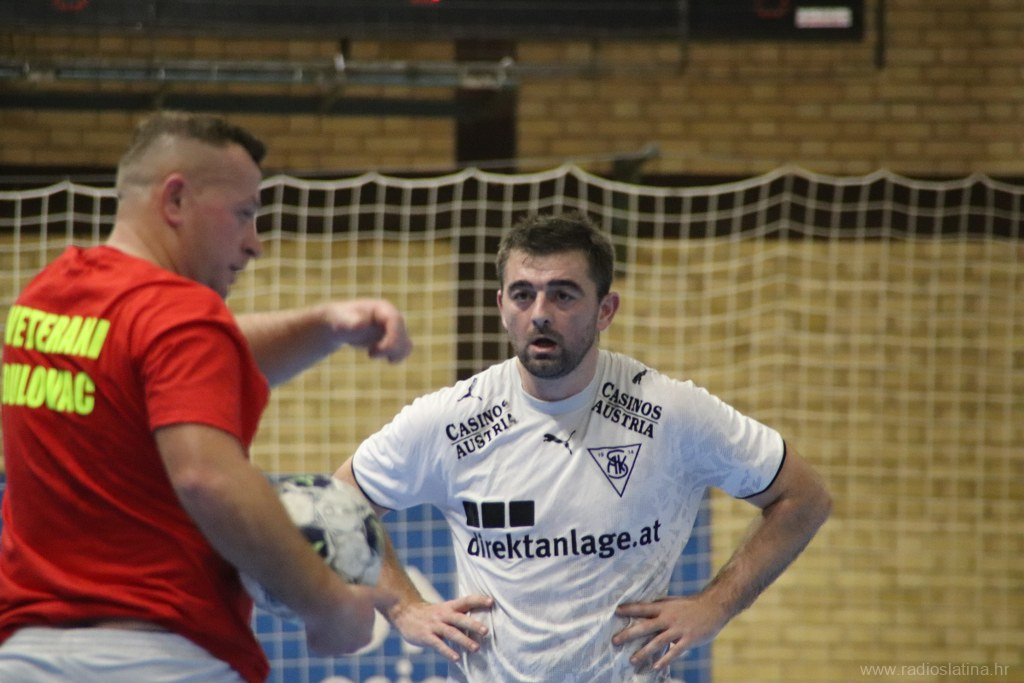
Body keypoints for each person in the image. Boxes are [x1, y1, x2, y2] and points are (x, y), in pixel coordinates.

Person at [0, 111, 412, 683]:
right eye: (244, 213)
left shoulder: (45, 298)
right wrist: (328, 604)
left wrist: (324, 326)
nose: (254, 244)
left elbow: (182, 361)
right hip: (159, 661)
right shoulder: (183, 315)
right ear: (175, 200)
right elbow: (207, 478)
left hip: (25, 657)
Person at [335, 211, 832, 682]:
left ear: (605, 310)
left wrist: (716, 606)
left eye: (563, 296)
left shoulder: (671, 412)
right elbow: (340, 499)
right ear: (501, 307)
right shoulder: (453, 420)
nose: (540, 314)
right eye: (523, 295)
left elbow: (804, 497)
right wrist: (401, 607)